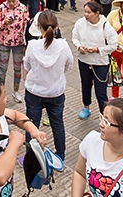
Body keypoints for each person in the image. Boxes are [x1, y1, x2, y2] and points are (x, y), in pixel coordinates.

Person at [23, 9, 73, 160]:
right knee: (57, 123)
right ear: (56, 27)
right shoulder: (63, 46)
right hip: (56, 92)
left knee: (31, 125)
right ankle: (60, 155)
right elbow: (69, 66)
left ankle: (31, 156)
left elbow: (27, 66)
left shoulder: (32, 46)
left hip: (34, 91)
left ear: (39, 27)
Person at [72, 1, 117, 120]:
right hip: (84, 60)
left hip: (100, 63)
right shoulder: (80, 23)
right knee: (85, 85)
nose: (86, 15)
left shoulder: (105, 26)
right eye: (85, 12)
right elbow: (75, 37)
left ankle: (105, 114)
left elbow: (113, 45)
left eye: (89, 12)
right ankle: (86, 107)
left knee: (100, 91)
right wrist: (79, 46)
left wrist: (98, 50)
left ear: (97, 13)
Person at [0, 0, 29, 103]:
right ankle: (0, 92)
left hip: (18, 43)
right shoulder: (0, 8)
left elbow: (26, 24)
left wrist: (26, 43)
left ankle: (16, 90)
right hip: (4, 42)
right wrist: (4, 23)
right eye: (8, 1)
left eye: (13, 1)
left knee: (17, 68)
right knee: (3, 68)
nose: (11, 3)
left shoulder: (23, 8)